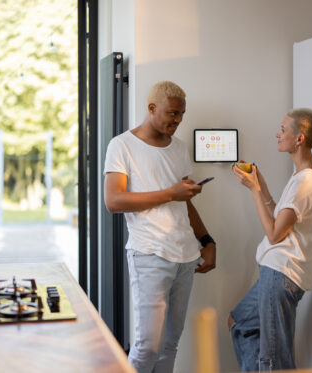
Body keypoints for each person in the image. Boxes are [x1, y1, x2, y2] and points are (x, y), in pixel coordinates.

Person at [103, 81, 217, 373]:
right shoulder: (122, 145)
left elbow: (184, 202)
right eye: (173, 113)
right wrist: (171, 193)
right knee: (146, 347)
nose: (178, 120)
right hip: (150, 255)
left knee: (170, 345)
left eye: (182, 115)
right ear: (152, 109)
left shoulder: (179, 148)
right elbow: (113, 201)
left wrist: (207, 240)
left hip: (186, 257)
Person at [229, 108, 312, 371]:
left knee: (274, 358)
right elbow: (278, 216)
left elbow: (274, 234)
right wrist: (262, 187)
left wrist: (253, 190)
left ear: (300, 138)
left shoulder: (305, 182)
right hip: (275, 273)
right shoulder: (300, 178)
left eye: (283, 129)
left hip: (281, 274)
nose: (277, 134)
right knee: (239, 324)